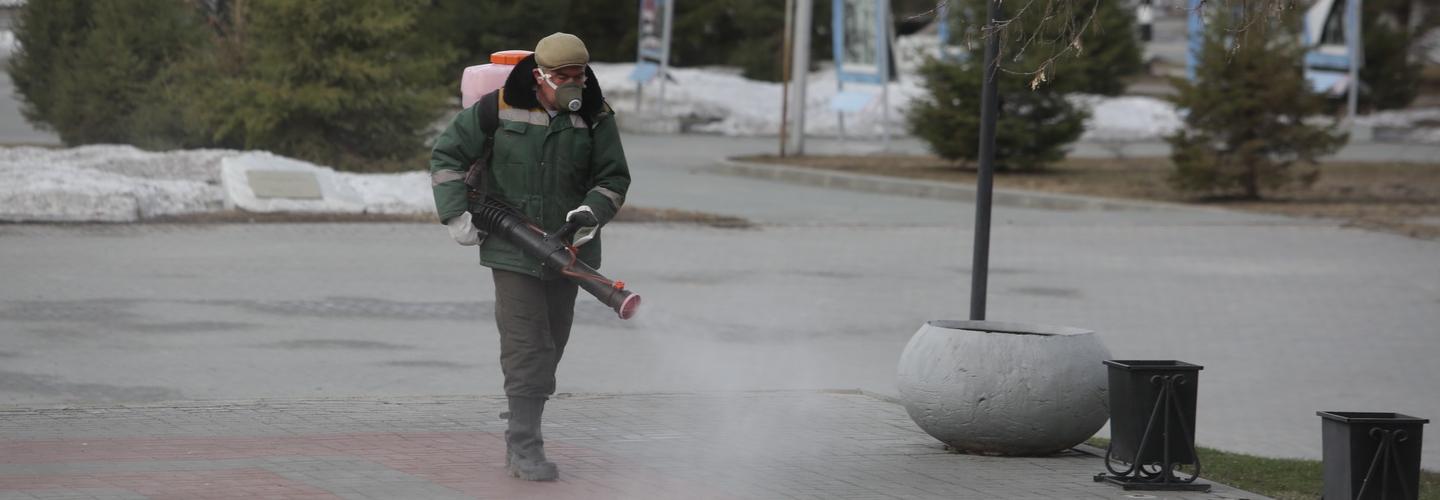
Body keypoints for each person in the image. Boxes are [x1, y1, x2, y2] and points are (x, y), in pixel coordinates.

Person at [428, 32, 631, 482]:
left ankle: (523, 422)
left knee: (552, 344)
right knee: (527, 345)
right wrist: (454, 213)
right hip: (512, 247)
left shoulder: (596, 114)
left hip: (570, 250)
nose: (573, 84)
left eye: (579, 74)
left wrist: (590, 212)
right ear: (540, 75)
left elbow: (614, 178)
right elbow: (447, 155)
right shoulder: (499, 107)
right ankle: (524, 446)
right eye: (563, 76)